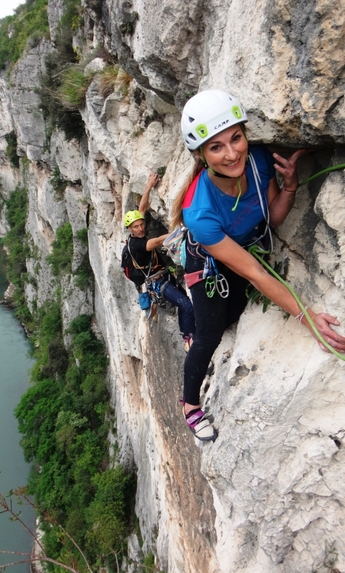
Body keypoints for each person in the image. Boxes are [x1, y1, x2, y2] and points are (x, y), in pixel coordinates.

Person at [170, 89, 345, 442]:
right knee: (208, 336)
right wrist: (306, 316)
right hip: (209, 266)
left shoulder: (259, 160)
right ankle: (189, 404)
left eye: (236, 138)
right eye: (216, 147)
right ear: (201, 155)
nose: (232, 153)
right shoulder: (200, 212)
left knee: (232, 312)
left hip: (242, 251)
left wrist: (290, 186)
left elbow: (272, 218)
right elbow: (255, 271)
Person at [124, 173, 196, 349]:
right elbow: (156, 242)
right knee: (186, 304)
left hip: (164, 276)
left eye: (141, 225)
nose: (141, 228)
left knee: (184, 301)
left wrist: (148, 186)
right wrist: (180, 231)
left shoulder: (137, 230)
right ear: (130, 229)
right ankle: (189, 341)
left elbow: (141, 210)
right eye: (136, 227)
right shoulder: (136, 245)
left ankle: (186, 333)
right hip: (158, 283)